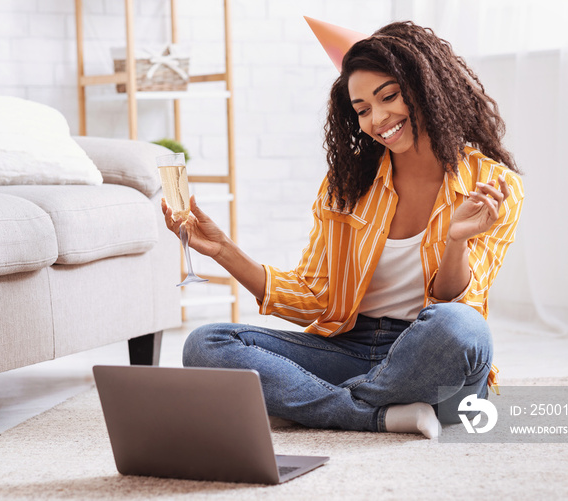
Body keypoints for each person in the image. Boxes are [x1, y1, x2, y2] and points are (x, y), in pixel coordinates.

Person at [161, 18, 524, 439]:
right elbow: (315, 299)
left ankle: (313, 403)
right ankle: (376, 413)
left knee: (461, 328)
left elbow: (458, 301)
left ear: (427, 86)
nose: (378, 119)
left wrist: (456, 240)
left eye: (389, 96)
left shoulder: (492, 184)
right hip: (352, 347)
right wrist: (222, 249)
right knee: (206, 345)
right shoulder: (348, 185)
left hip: (429, 355)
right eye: (363, 110)